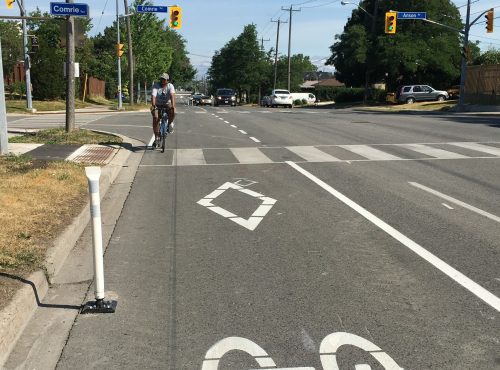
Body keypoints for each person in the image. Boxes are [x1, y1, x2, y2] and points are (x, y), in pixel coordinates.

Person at [151, 73, 176, 147]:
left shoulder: (170, 86)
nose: (162, 81)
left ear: (167, 80)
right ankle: (156, 139)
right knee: (155, 118)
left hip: (167, 104)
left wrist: (173, 106)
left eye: (164, 79)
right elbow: (153, 96)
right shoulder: (156, 85)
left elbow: (172, 96)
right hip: (157, 104)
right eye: (161, 79)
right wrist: (154, 106)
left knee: (173, 111)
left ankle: (169, 124)